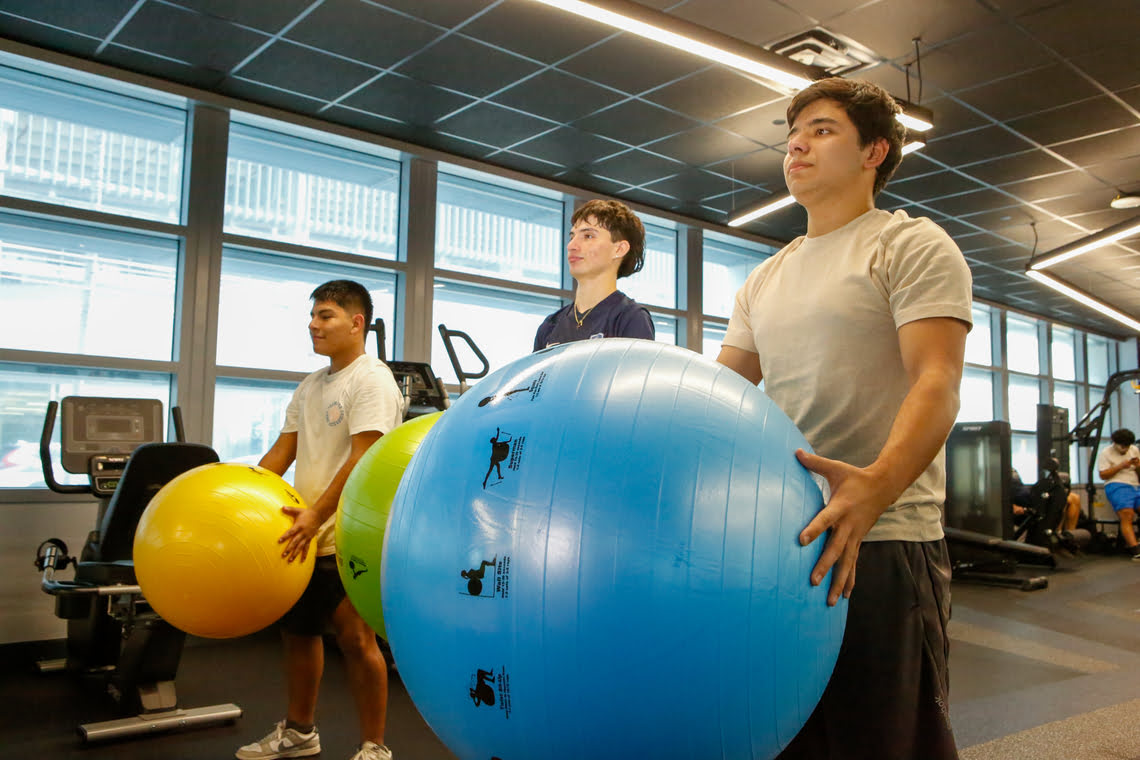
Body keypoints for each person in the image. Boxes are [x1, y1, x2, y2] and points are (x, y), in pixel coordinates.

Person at [716, 77, 972, 759]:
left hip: (886, 537)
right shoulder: (764, 277)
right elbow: (720, 396)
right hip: (787, 539)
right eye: (793, 133)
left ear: (874, 152)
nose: (797, 143)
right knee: (788, 737)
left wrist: (874, 487)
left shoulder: (908, 245)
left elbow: (939, 382)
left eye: (823, 129)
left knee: (884, 741)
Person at [236, 280, 404, 760]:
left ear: (357, 323)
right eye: (313, 315)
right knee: (299, 634)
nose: (313, 324)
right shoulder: (311, 385)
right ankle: (300, 732)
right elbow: (281, 453)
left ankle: (375, 746)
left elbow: (362, 458)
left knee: (355, 638)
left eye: (326, 315)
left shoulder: (371, 380)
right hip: (304, 531)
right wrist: (234, 494)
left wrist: (317, 515)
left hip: (352, 532)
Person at [533, 198, 654, 350]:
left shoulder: (630, 318)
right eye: (572, 237)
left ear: (619, 249)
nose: (571, 246)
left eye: (588, 236)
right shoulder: (551, 325)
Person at [1096, 428, 1140, 559]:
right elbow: (1103, 475)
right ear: (1115, 443)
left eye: (1127, 446)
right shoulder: (1106, 453)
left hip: (1135, 484)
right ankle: (1135, 550)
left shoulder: (1134, 450)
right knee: (1127, 514)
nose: (1125, 449)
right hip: (1116, 484)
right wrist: (1121, 466)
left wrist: (1138, 466)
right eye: (1122, 446)